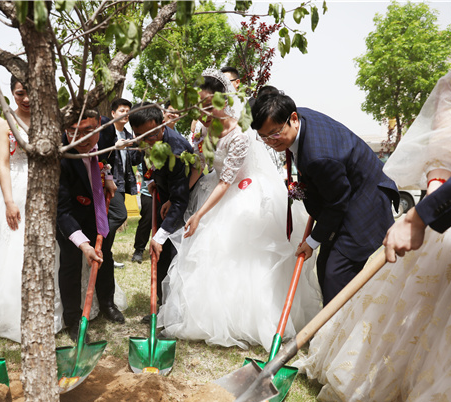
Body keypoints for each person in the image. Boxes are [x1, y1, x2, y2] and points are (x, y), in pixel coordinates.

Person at [297, 67, 451, 402]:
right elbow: (444, 148)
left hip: (391, 211)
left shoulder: (320, 148)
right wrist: (432, 197)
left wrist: (420, 216)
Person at [158, 69, 321, 349]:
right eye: (198, 106)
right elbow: (200, 164)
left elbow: (226, 181)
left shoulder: (240, 134)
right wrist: (177, 197)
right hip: (216, 190)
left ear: (224, 101)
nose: (202, 112)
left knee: (243, 256)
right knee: (210, 256)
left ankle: (249, 321)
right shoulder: (207, 129)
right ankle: (209, 317)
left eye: (208, 105)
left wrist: (199, 214)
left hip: (243, 195)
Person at [251, 90, 399, 306]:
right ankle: (336, 321)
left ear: (293, 119)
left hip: (365, 205)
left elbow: (336, 203)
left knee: (336, 274)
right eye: (263, 137)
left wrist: (312, 241)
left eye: (274, 134)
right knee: (324, 266)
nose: (270, 142)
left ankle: (343, 324)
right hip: (345, 195)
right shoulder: (298, 121)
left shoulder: (318, 156)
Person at [0, 77, 63, 342]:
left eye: (30, 92)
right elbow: (3, 164)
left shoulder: (50, 120)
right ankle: (10, 310)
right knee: (12, 247)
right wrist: (8, 201)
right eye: (19, 93)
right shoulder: (5, 122)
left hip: (44, 188)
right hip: (14, 188)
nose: (25, 98)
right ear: (12, 93)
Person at [57, 110, 121, 341]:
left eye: (88, 131)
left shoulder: (107, 130)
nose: (81, 139)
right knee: (71, 261)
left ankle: (107, 303)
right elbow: (61, 210)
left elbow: (110, 155)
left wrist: (108, 177)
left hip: (98, 202)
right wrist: (83, 244)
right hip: (71, 210)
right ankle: (73, 320)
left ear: (99, 126)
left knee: (104, 255)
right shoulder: (58, 154)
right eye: (73, 132)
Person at [128, 103, 191, 314]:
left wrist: (161, 235)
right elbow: (139, 160)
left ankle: (177, 311)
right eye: (141, 136)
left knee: (175, 256)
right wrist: (152, 181)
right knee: (162, 258)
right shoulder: (144, 140)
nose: (147, 140)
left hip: (187, 205)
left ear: (162, 124)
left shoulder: (177, 150)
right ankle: (163, 308)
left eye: (152, 135)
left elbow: (181, 200)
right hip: (166, 197)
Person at [99, 97, 137, 275]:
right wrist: (115, 146)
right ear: (113, 113)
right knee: (120, 214)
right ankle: (102, 247)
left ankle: (105, 253)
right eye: (122, 111)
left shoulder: (129, 135)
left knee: (113, 217)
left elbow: (134, 161)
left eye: (128, 111)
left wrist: (139, 146)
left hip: (121, 182)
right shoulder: (107, 133)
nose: (125, 114)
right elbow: (99, 155)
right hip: (106, 181)